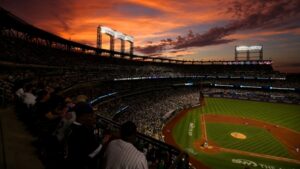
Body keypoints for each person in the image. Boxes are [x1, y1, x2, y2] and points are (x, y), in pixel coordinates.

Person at [65, 102, 100, 169]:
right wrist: (103, 142)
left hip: (69, 159)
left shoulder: (72, 125)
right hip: (77, 163)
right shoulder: (83, 131)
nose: (92, 116)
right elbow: (94, 152)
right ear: (84, 116)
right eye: (90, 115)